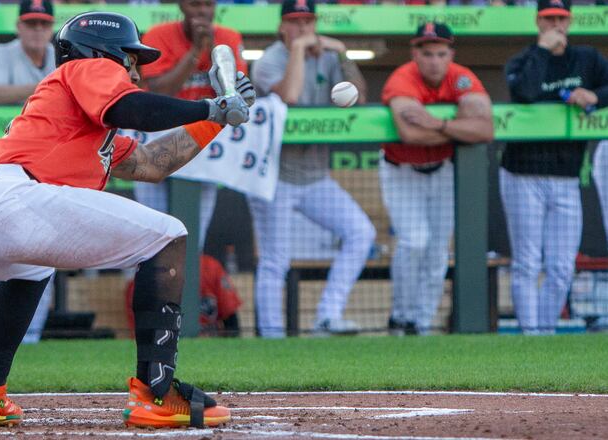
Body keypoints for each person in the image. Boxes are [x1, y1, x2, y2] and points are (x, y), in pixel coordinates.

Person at [0, 11, 251, 429]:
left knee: (32, 266)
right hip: (4, 199)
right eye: (131, 59)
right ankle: (157, 393)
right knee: (170, 235)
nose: (136, 71)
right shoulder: (88, 67)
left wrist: (217, 118)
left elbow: (153, 163)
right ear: (107, 52)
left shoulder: (84, 119)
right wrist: (208, 103)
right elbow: (133, 108)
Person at [249, 0, 375, 338]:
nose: (302, 28)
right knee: (276, 260)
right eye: (295, 22)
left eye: (308, 21)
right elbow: (289, 95)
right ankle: (272, 337)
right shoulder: (267, 61)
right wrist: (301, 49)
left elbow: (359, 97)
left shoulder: (330, 56)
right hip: (273, 178)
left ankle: (327, 315)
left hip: (315, 177)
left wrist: (344, 52)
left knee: (361, 233)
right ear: (282, 27)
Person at [503, 0, 608, 335]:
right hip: (523, 171)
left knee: (562, 265)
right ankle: (529, 335)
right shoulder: (523, 59)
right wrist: (543, 50)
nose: (556, 24)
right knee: (527, 262)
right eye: (549, 18)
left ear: (570, 20)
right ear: (538, 21)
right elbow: (525, 92)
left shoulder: (588, 58)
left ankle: (546, 334)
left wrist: (593, 96)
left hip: (566, 174)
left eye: (561, 18)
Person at [381, 22, 493, 336]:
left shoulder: (461, 76)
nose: (434, 60)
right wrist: (456, 126)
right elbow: (410, 133)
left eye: (441, 53)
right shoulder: (402, 77)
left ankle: (423, 322)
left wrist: (437, 122)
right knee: (414, 241)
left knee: (438, 251)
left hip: (442, 170)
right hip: (401, 168)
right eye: (427, 52)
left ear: (450, 54)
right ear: (415, 53)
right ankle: (401, 317)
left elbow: (485, 130)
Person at [134, 0, 249, 249]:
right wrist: (196, 52)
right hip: (156, 142)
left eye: (207, 5)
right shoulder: (159, 35)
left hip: (202, 148)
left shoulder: (228, 38)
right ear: (182, 7)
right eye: (195, 5)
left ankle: (184, 285)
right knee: (147, 237)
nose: (202, 12)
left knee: (191, 239)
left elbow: (234, 95)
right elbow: (158, 91)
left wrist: (214, 50)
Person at [0, 0, 56, 344]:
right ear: (19, 26)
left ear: (51, 26)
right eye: (30, 23)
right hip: (8, 166)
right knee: (9, 255)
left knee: (46, 253)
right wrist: (51, 91)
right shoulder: (1, 53)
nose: (37, 30)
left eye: (43, 23)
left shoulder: (63, 53)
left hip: (50, 164)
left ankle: (32, 338)